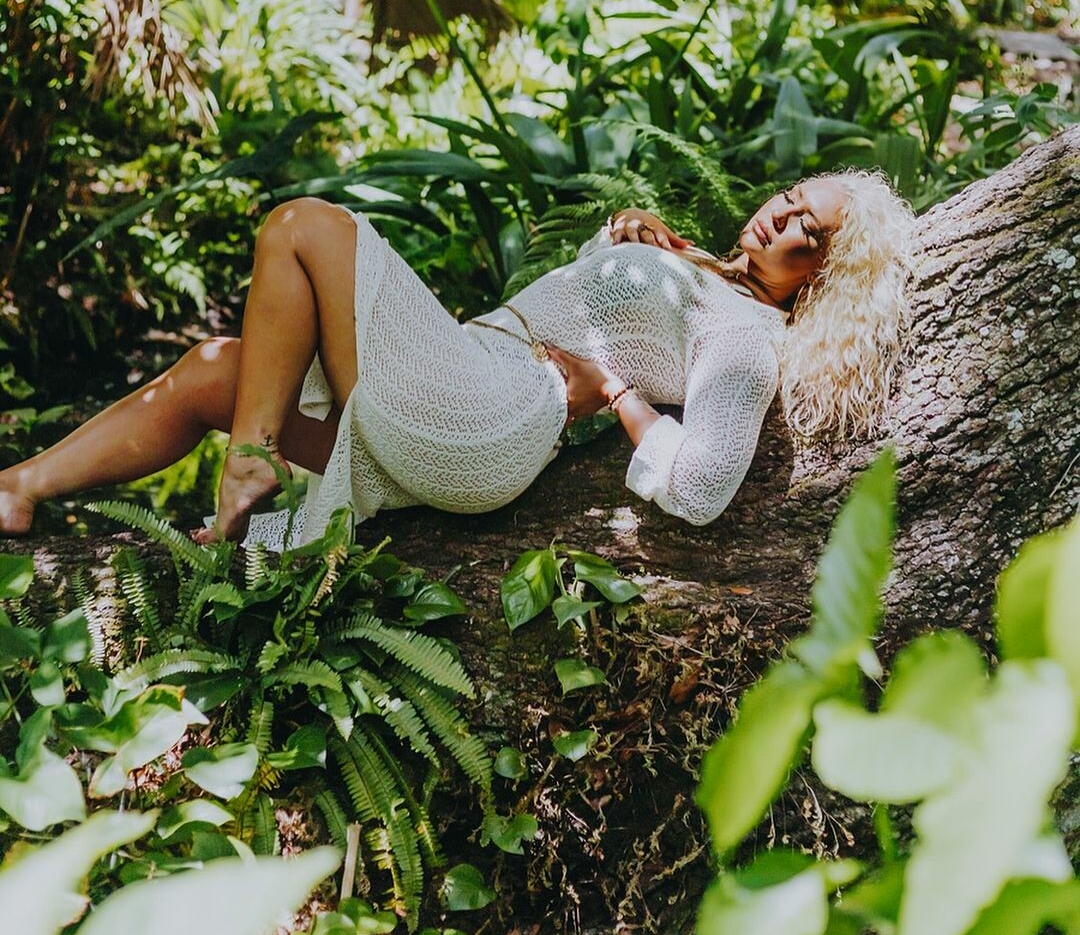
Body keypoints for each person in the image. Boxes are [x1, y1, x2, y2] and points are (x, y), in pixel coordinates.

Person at [0, 168, 917, 545]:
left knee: (302, 225)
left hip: (494, 411)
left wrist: (615, 392)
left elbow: (707, 482)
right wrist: (623, 243)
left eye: (809, 233)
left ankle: (248, 466)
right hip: (468, 378)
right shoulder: (708, 276)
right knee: (211, 370)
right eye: (793, 198)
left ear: (823, 277)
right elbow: (594, 307)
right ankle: (19, 487)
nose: (783, 219)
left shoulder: (751, 337)